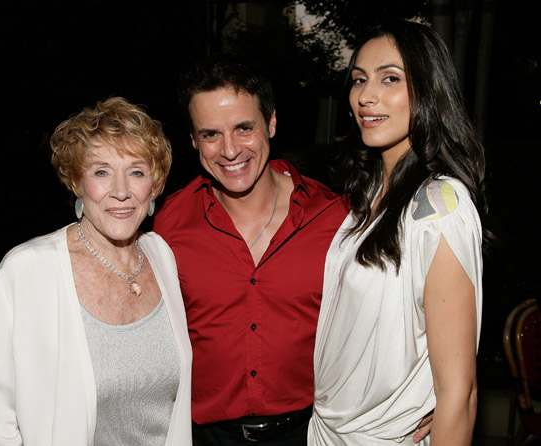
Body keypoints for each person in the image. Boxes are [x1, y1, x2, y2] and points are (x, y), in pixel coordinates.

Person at [154, 53, 430, 445]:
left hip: (310, 433)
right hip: (204, 437)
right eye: (211, 134)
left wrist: (428, 392)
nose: (229, 150)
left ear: (271, 123)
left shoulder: (337, 217)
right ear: (194, 139)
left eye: (244, 128)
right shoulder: (168, 223)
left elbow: (400, 307)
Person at [0, 97, 192, 446]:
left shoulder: (160, 255)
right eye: (101, 172)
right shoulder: (25, 273)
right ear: (77, 181)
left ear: (154, 185)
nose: (121, 191)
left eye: (136, 172)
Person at [309, 20, 489, 445]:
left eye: (390, 78)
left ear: (429, 90)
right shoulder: (371, 194)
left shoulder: (439, 207)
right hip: (330, 431)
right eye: (359, 80)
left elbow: (459, 394)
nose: (365, 96)